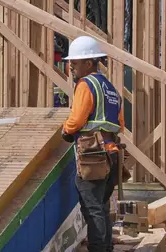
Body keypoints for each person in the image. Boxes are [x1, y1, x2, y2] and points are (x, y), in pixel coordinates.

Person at [61, 35, 124, 252]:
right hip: (112, 154)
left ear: (89, 63)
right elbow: (120, 124)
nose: (71, 67)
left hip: (93, 156)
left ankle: (98, 248)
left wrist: (66, 130)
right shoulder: (111, 89)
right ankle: (105, 248)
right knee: (102, 207)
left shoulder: (85, 84)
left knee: (92, 208)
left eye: (75, 63)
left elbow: (77, 120)